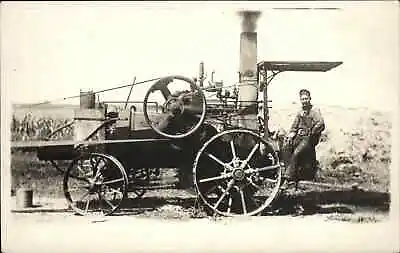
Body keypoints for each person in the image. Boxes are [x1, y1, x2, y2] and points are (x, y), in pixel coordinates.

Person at [282, 89, 325, 187]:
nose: (304, 101)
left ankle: (288, 179)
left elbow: (321, 124)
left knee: (296, 153)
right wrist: (292, 133)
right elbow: (294, 126)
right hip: (299, 136)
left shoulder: (314, 111)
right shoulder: (300, 112)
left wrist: (312, 132)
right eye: (302, 99)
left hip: (309, 139)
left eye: (306, 99)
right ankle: (289, 172)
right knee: (285, 147)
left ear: (310, 99)